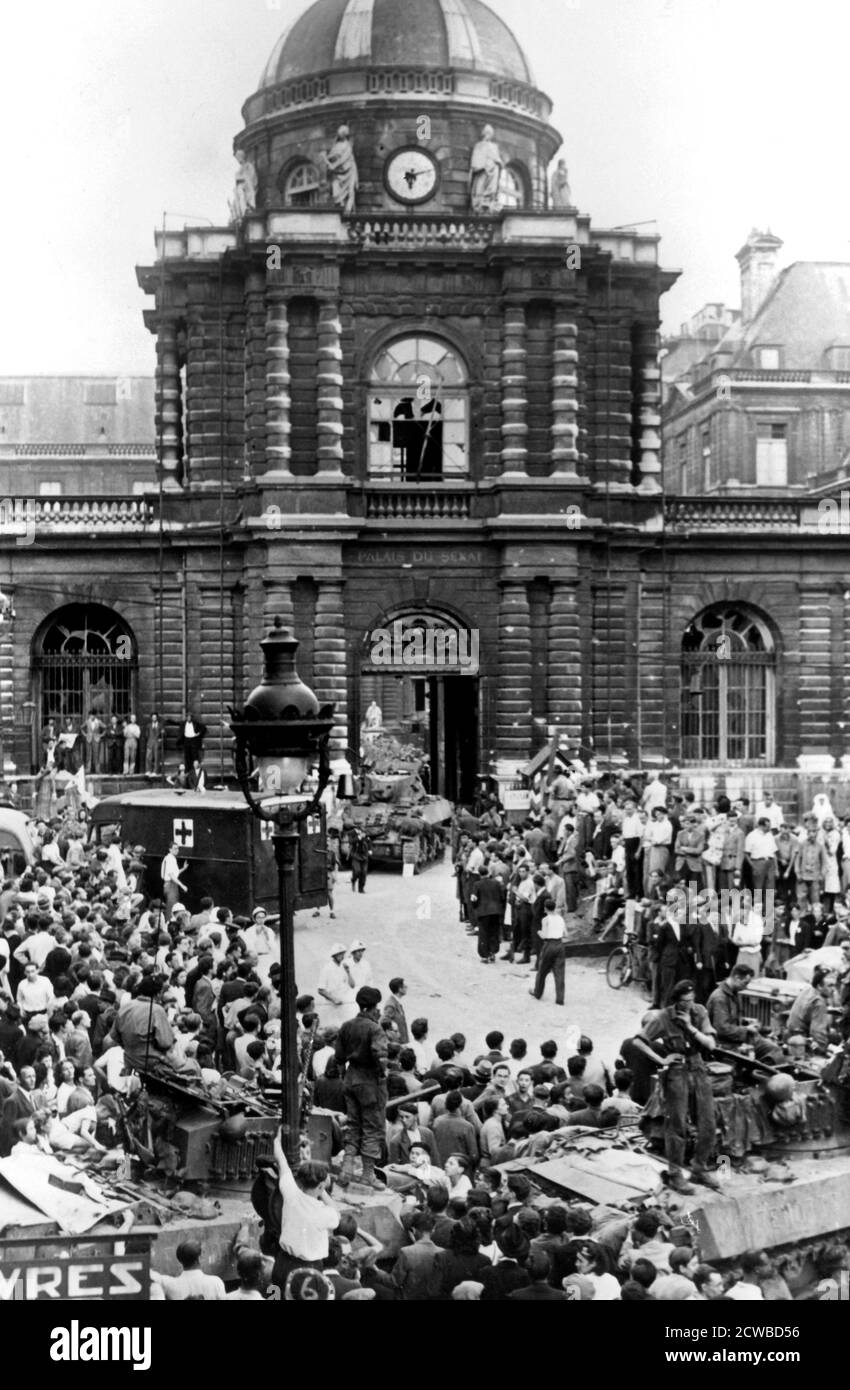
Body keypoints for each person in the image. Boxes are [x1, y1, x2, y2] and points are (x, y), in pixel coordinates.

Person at [643, 980, 721, 1194]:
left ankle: (700, 1166)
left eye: (692, 999)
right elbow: (639, 1041)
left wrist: (689, 1026)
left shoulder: (699, 1012)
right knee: (676, 1124)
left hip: (697, 1067)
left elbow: (710, 1044)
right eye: (684, 1001)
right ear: (676, 1000)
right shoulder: (663, 1017)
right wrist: (661, 1058)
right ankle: (675, 1173)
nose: (689, 1004)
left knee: (708, 1121)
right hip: (676, 1071)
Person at [334, 986, 388, 1190]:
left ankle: (346, 1169)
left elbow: (338, 1056)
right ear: (374, 1008)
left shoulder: (346, 1026)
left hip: (350, 1078)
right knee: (372, 1128)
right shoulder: (375, 1029)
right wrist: (382, 1072)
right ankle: (368, 1174)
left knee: (354, 1125)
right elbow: (380, 1054)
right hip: (370, 1083)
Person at [707, 964, 783, 1063]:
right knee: (773, 1051)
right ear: (737, 978)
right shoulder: (720, 998)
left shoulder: (734, 993)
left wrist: (746, 1021)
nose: (745, 987)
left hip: (737, 1038)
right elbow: (722, 1029)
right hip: (726, 1044)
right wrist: (746, 1029)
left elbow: (732, 1019)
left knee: (774, 1048)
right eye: (745, 983)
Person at [150, 1241, 226, 1300]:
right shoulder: (215, 1282)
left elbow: (152, 1277)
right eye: (203, 1253)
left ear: (180, 1260)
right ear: (199, 1258)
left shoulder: (170, 1284)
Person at [786, 965, 834, 1053]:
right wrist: (823, 1050)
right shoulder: (819, 1002)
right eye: (830, 986)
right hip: (802, 1041)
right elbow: (817, 1032)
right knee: (836, 1039)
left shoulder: (807, 990)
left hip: (790, 1034)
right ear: (819, 986)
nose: (833, 989)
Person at [529, 896, 567, 1005]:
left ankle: (538, 992)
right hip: (560, 945)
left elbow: (544, 935)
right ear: (554, 908)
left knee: (542, 971)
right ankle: (560, 998)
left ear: (545, 908)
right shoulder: (560, 918)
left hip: (549, 945)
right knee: (559, 972)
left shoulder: (545, 919)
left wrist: (539, 932)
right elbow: (566, 934)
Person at [317, 944, 357, 1024]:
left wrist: (348, 972)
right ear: (334, 955)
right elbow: (320, 990)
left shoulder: (344, 967)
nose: (341, 956)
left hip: (344, 1005)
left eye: (343, 953)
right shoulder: (327, 968)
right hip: (331, 1006)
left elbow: (352, 985)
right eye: (339, 954)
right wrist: (334, 999)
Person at [160, 841, 188, 920]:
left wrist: (183, 868)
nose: (177, 850)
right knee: (171, 908)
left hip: (170, 885)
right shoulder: (170, 859)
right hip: (170, 885)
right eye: (175, 849)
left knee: (172, 907)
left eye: (178, 848)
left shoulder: (171, 858)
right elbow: (171, 875)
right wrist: (182, 885)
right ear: (170, 849)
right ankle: (168, 926)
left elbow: (174, 873)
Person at [381, 978, 409, 1043]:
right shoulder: (391, 1004)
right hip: (397, 1044)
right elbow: (383, 1022)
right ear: (400, 989)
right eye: (404, 986)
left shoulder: (395, 1002)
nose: (406, 987)